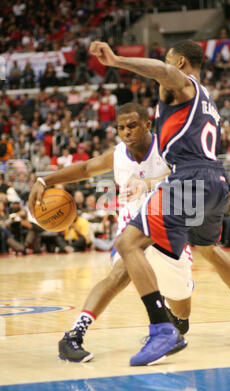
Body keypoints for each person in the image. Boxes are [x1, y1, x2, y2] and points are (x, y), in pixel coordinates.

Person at [88, 39, 230, 366]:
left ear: (183, 64)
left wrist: (117, 60)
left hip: (189, 178)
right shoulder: (208, 100)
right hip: (216, 181)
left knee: (128, 243)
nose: (164, 70)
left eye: (170, 61)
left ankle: (162, 329)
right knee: (208, 249)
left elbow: (162, 71)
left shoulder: (183, 85)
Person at [28, 103, 193, 363]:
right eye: (121, 127)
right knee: (120, 273)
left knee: (182, 306)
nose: (126, 132)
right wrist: (44, 180)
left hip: (168, 227)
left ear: (147, 125)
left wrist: (148, 184)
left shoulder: (168, 147)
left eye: (132, 126)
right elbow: (84, 169)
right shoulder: (117, 155)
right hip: (132, 229)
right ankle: (73, 335)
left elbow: (188, 178)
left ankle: (175, 324)